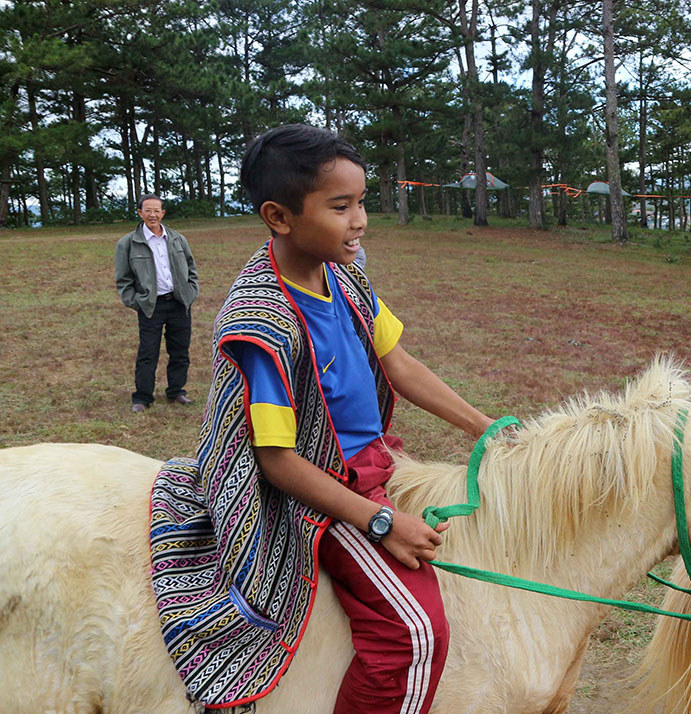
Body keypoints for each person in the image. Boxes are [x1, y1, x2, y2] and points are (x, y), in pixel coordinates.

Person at [149, 125, 495, 713]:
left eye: (361, 202)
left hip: (366, 468)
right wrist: (380, 521)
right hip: (314, 494)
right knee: (414, 632)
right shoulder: (261, 322)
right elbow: (277, 461)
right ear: (279, 217)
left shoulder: (346, 277)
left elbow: (400, 365)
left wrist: (485, 428)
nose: (360, 220)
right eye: (341, 207)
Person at [114, 193, 198, 413]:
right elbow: (123, 279)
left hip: (179, 303)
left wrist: (190, 292)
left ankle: (177, 391)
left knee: (180, 351)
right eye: (147, 210)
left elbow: (191, 269)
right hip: (150, 306)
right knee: (148, 353)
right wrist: (137, 302)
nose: (152, 215)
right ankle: (142, 398)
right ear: (140, 213)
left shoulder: (178, 239)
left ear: (163, 213)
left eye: (156, 210)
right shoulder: (128, 243)